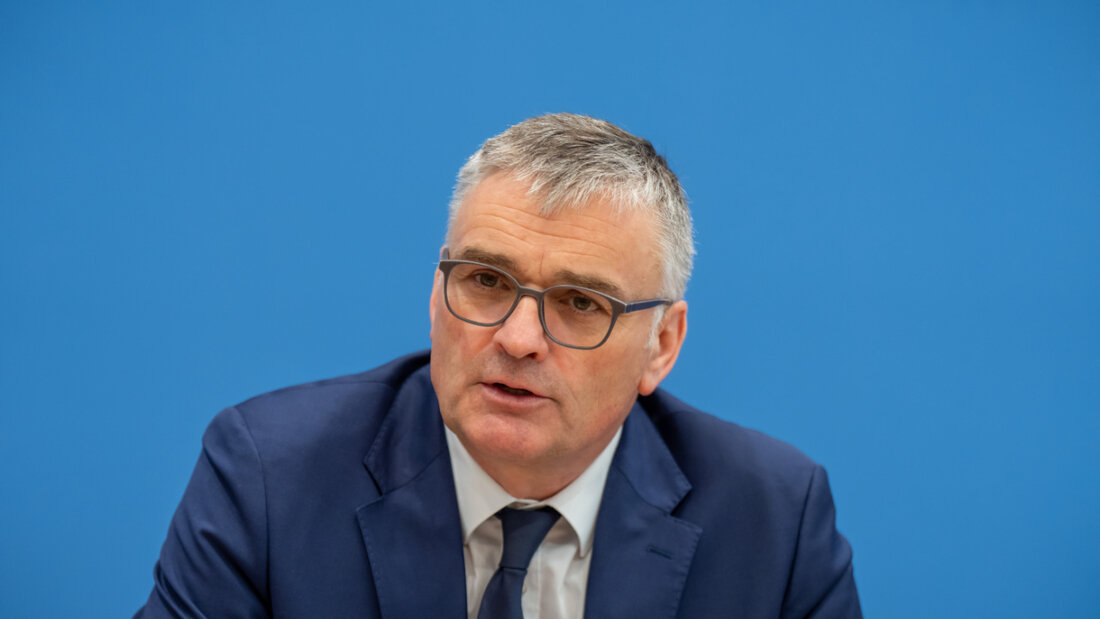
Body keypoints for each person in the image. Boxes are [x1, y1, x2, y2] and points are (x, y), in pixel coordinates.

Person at [136, 113, 861, 618]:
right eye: (486, 280)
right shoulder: (269, 477)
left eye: (580, 302)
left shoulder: (773, 520)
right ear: (435, 293)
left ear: (662, 345)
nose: (518, 338)